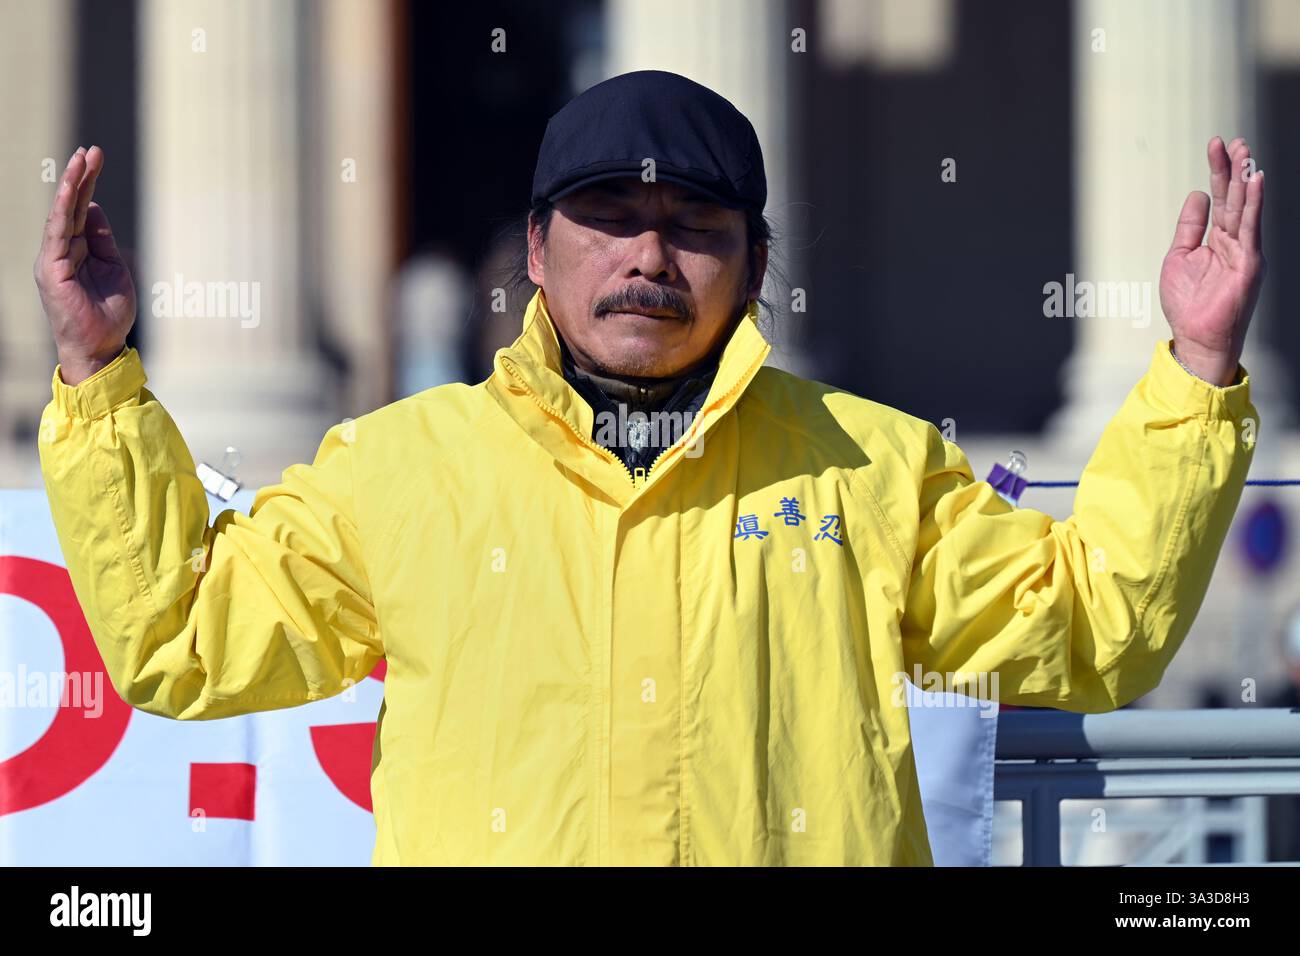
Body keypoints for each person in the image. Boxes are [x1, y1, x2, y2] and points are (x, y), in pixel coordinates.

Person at [34, 70, 1265, 865]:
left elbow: (1099, 627)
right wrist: (99, 379)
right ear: (536, 244)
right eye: (610, 220)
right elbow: (182, 636)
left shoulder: (870, 464)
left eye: (694, 227)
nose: (650, 258)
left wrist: (1193, 370)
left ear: (753, 258)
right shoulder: (401, 467)